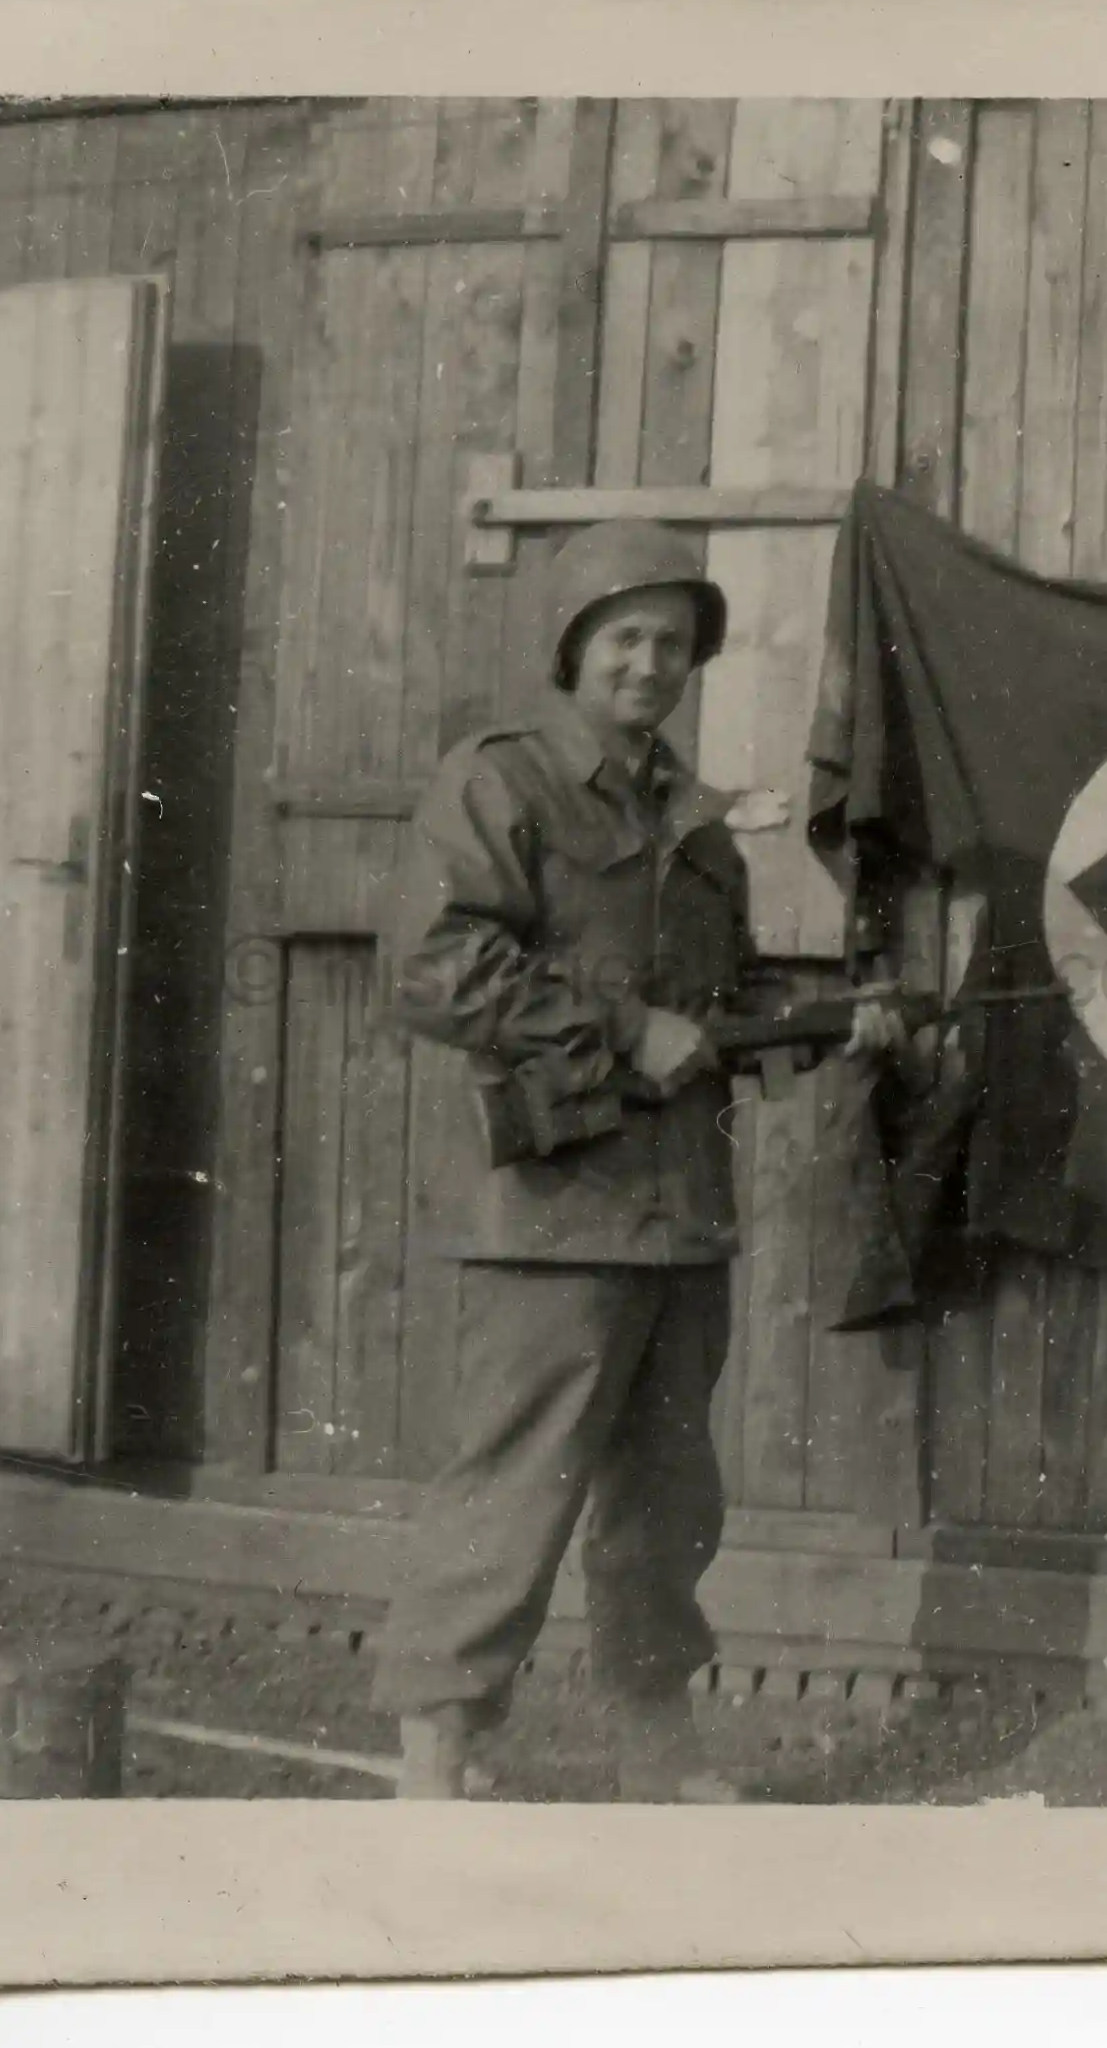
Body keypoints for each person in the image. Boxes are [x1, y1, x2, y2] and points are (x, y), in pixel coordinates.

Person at [370, 519, 897, 1801]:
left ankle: (650, 1736)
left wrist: (830, 1021)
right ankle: (440, 1744)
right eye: (625, 636)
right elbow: (436, 967)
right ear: (574, 648)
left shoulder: (698, 822)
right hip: (549, 1210)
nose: (650, 662)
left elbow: (710, 1010)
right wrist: (621, 1027)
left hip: (679, 1215)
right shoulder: (502, 784)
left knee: (667, 1505)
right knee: (513, 1488)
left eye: (672, 641)